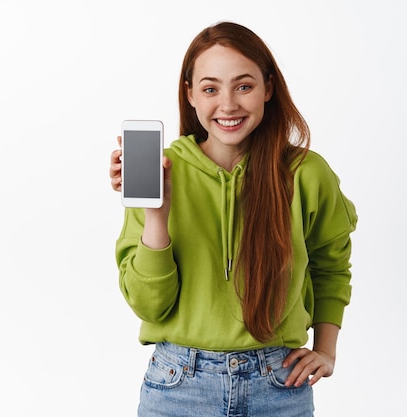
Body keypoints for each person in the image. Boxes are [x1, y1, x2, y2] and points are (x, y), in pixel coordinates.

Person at [110, 21, 357, 417]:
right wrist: (157, 215)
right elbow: (149, 306)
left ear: (268, 89)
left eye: (243, 86)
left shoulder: (305, 173)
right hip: (178, 388)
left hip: (279, 385)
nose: (228, 105)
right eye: (210, 89)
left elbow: (331, 266)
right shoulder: (161, 170)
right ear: (190, 94)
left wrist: (326, 350)